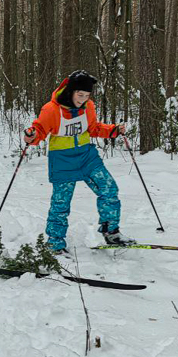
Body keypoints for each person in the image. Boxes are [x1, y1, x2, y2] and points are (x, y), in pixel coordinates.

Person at [23, 70, 133, 256]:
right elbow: (39, 130)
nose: (83, 99)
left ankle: (111, 232)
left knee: (109, 188)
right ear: (70, 91)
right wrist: (31, 136)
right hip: (62, 160)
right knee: (61, 204)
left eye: (87, 95)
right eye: (80, 95)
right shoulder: (51, 109)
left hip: (86, 157)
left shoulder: (88, 107)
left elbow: (93, 128)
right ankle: (55, 243)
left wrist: (113, 130)